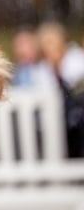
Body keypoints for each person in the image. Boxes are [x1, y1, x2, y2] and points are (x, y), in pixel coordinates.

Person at [37, 22, 84, 157]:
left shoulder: (76, 59)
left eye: (51, 43)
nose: (49, 49)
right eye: (46, 44)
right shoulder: (42, 69)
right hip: (57, 120)